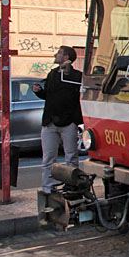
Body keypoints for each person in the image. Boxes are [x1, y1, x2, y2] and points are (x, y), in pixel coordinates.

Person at [34, 46, 83, 194]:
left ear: (66, 57)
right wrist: (39, 92)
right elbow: (49, 95)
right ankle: (48, 188)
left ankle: (71, 185)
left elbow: (78, 95)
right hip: (50, 122)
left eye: (59, 53)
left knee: (71, 157)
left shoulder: (76, 76)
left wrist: (75, 121)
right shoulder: (53, 74)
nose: (56, 55)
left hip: (68, 122)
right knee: (48, 157)